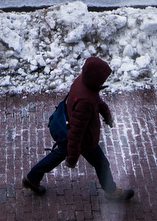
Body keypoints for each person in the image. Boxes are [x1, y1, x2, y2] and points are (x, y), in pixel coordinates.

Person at [22, 56, 135, 201]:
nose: (104, 81)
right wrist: (72, 159)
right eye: (103, 79)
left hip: (68, 125)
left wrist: (107, 115)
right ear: (96, 79)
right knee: (101, 163)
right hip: (85, 141)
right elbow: (77, 132)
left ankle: (32, 177)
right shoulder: (86, 101)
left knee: (58, 155)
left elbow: (97, 100)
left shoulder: (82, 81)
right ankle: (111, 192)